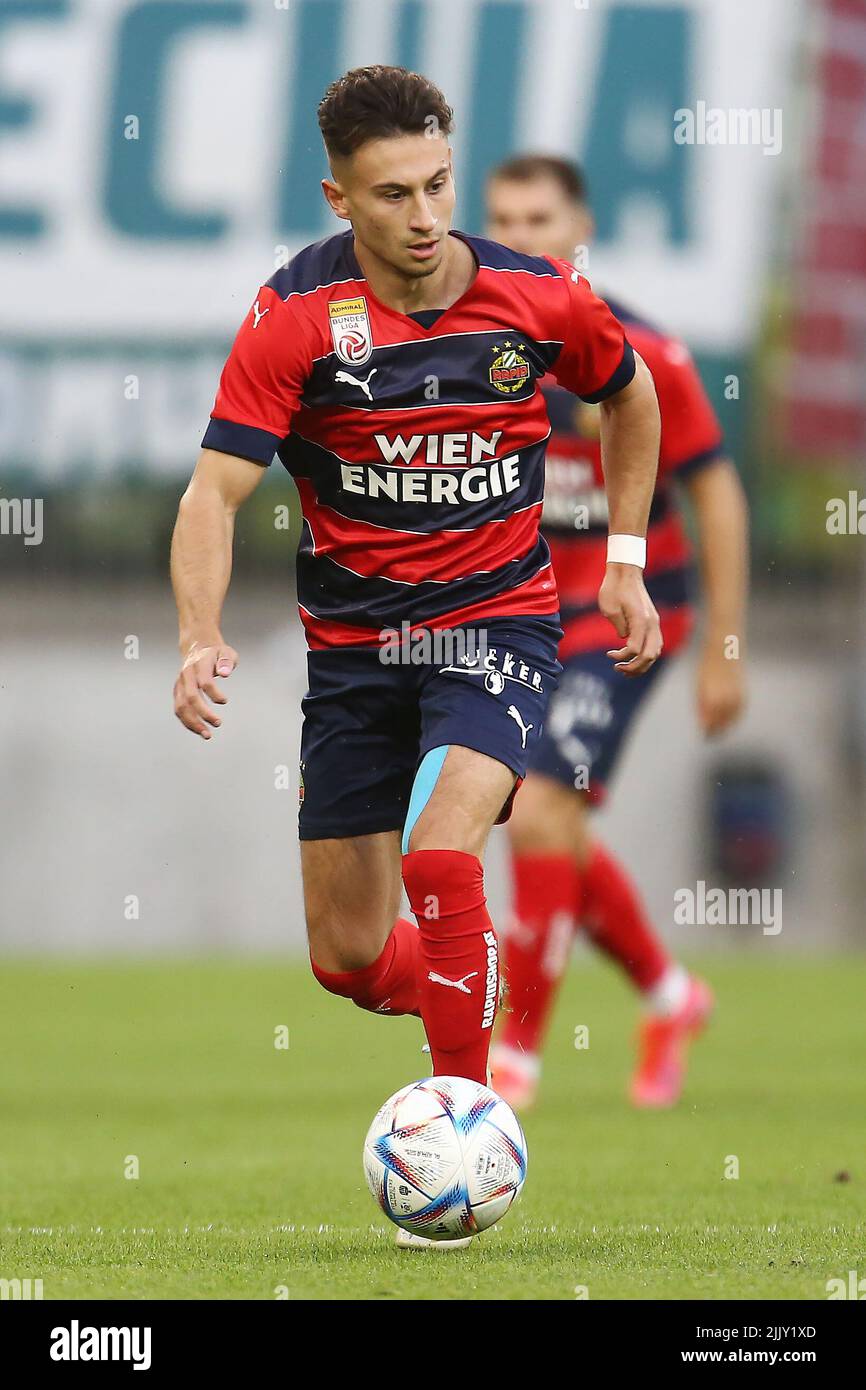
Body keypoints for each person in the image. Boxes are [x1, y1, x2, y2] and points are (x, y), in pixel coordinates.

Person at [171, 69, 661, 1247]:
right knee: (344, 957)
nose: (427, 214)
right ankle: (464, 968)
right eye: (394, 194)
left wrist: (626, 559)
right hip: (353, 655)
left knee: (445, 860)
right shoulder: (293, 318)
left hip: (496, 629)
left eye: (439, 183)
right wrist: (195, 634)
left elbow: (629, 398)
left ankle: (467, 1126)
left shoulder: (536, 297)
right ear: (341, 196)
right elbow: (210, 494)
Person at [484, 155, 749, 1110]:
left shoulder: (644, 353)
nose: (521, 234)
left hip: (627, 618)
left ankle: (512, 1064)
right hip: (521, 622)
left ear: (579, 228)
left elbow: (718, 494)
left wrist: (726, 648)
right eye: (503, 216)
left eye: (540, 215)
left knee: (546, 810)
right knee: (545, 828)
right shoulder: (475, 352)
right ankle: (671, 996)